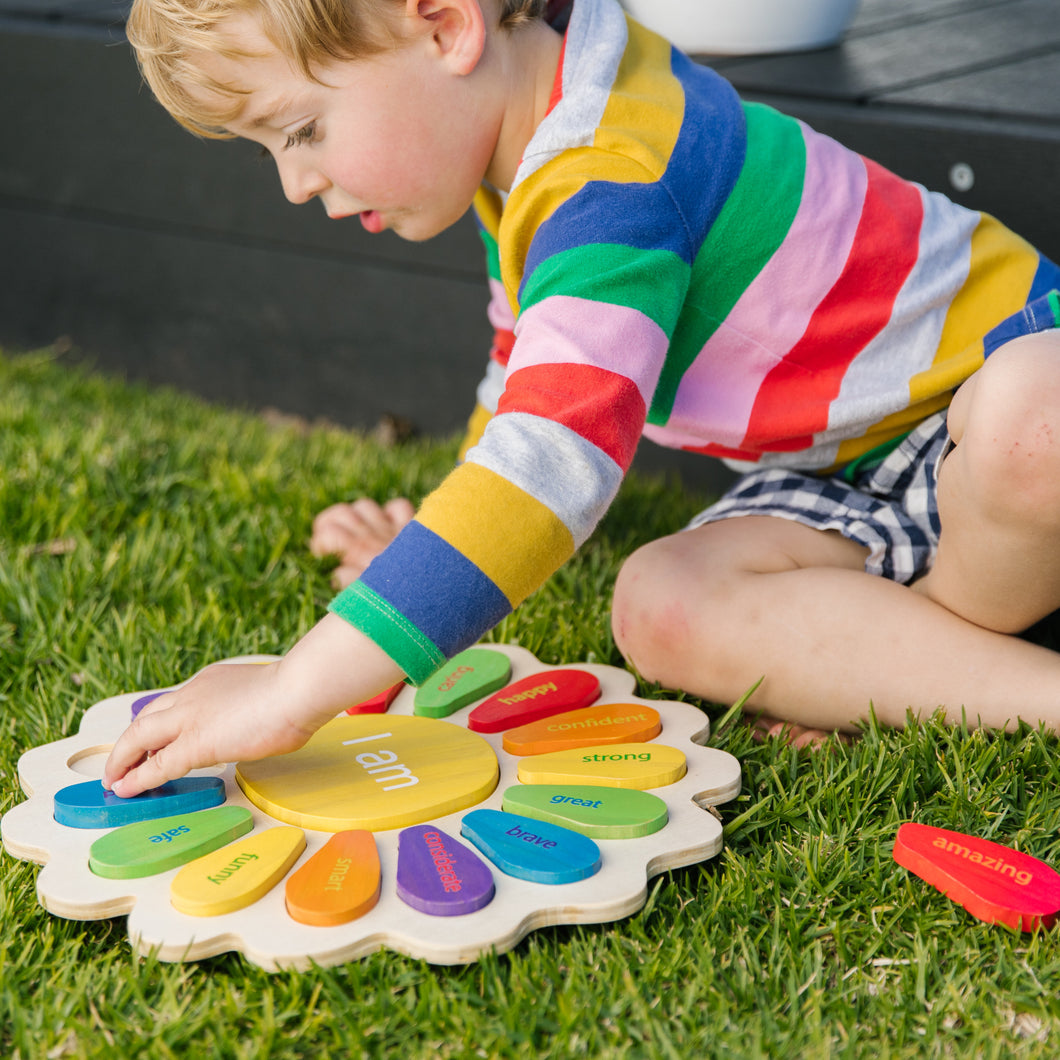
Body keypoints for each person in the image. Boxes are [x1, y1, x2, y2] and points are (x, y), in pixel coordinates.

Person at [104, 0, 1060, 796]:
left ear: (442, 26)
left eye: (302, 129)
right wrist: (425, 547)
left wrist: (297, 687)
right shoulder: (530, 136)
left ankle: (926, 656)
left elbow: (551, 460)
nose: (294, 184)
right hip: (857, 481)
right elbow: (530, 379)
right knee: (661, 604)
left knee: (1033, 415)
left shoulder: (613, 170)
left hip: (999, 402)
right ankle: (970, 665)